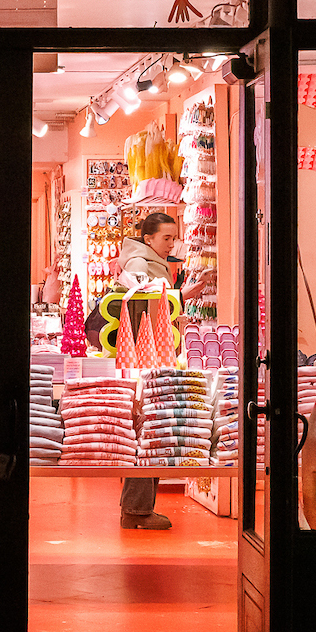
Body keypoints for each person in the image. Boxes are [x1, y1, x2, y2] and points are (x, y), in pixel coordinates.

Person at [112, 210, 180, 530]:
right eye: (166, 238)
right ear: (148, 238)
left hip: (148, 356)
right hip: (146, 359)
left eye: (173, 237)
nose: (171, 243)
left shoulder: (147, 261)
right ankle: (137, 511)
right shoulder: (141, 265)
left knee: (147, 431)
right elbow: (144, 311)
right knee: (147, 432)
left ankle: (137, 508)